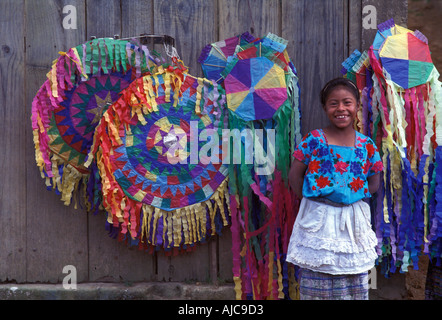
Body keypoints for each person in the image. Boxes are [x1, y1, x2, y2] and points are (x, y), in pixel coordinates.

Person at [287, 77, 384, 300]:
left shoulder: (366, 145)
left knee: (355, 273)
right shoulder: (314, 140)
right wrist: (313, 201)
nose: (341, 108)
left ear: (357, 106)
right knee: (317, 268)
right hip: (318, 217)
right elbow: (295, 175)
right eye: (333, 103)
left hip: (353, 219)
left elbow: (374, 180)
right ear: (324, 107)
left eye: (347, 102)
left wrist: (354, 196)